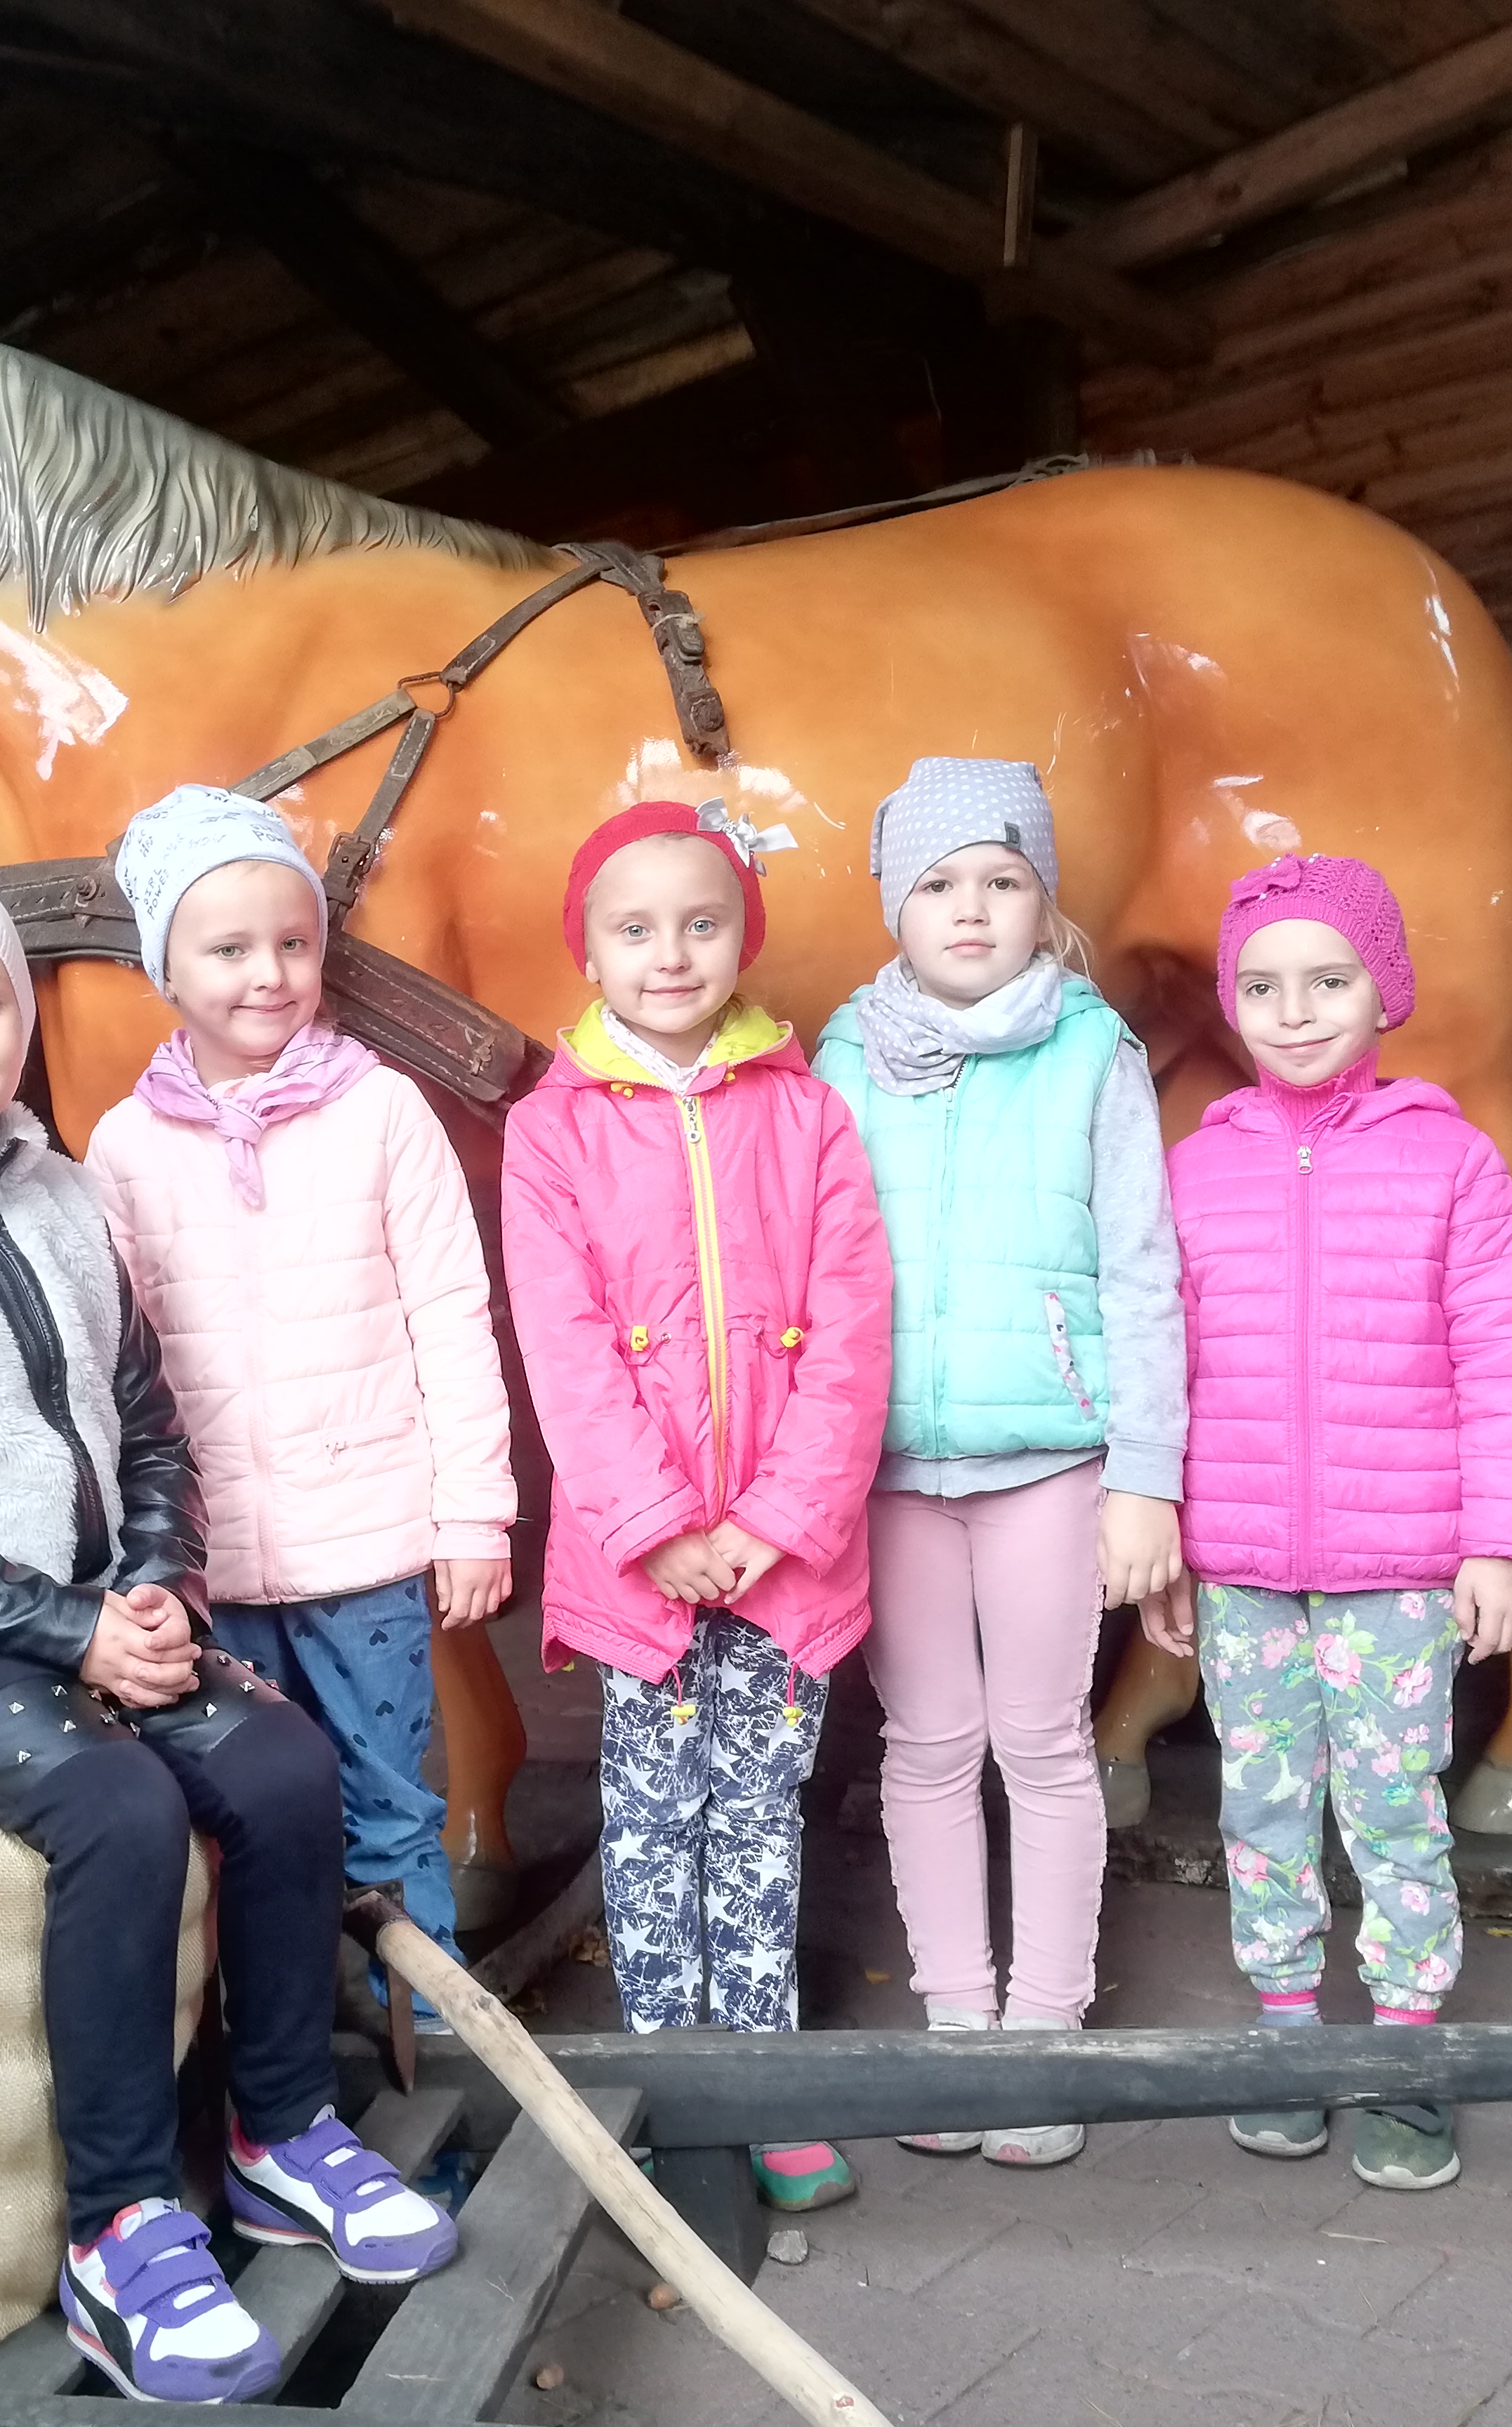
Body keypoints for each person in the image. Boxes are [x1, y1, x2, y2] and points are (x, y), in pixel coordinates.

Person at [0, 856, 456, 2406]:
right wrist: (65, 1628)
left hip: (85, 1600)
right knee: (117, 1805)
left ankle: (279, 2131)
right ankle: (120, 2225)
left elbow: (147, 1422)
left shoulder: (60, 1196)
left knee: (286, 1769)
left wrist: (159, 1583)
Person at [1140, 853, 1512, 2192]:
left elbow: (1504, 1364)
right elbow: (1162, 1369)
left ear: (1386, 990)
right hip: (1243, 1567)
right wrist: (1168, 1536)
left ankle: (1406, 2048)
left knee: (1392, 1807)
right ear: (1231, 1003)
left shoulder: (1453, 1164)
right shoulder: (1195, 1174)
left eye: (1327, 980)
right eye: (1262, 986)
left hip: (1401, 1571)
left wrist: (1502, 1544)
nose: (1295, 1010)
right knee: (1260, 1803)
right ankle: (1283, 2028)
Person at [499, 799, 890, 2216]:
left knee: (764, 1813)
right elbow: (565, 1348)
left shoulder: (811, 1112)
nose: (670, 954)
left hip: (785, 1556)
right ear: (589, 950)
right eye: (636, 928)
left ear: (744, 938)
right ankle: (666, 2084)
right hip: (642, 1559)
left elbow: (852, 1334)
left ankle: (762, 2084)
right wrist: (658, 1524)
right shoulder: (550, 1133)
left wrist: (776, 1521)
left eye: (702, 923)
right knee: (655, 1818)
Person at [84, 786, 517, 2020]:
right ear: (164, 967)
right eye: (228, 949)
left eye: (293, 943)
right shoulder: (123, 1148)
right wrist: (131, 1561)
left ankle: (430, 2048)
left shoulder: (382, 1114)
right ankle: (283, 2079)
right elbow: (111, 1373)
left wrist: (472, 1516)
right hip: (208, 1570)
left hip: (364, 1549)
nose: (267, 974)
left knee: (389, 1810)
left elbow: (453, 1316)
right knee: (238, 1825)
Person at [810, 758, 1186, 2170]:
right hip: (892, 1471)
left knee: (1041, 1740)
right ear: (894, 907)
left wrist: (1146, 1476)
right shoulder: (844, 1060)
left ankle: (1044, 2033)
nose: (970, 909)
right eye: (938, 883)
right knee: (925, 1746)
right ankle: (957, 2021)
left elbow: (1143, 1273)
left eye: (1003, 880)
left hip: (1051, 1461)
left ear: (1043, 902)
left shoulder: (1094, 1054)